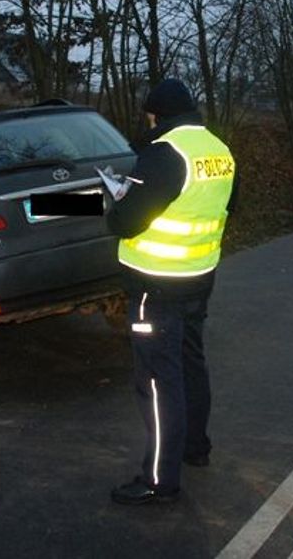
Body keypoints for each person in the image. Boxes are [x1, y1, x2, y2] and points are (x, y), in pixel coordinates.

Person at [106, 78, 237, 505]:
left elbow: (126, 222)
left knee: (159, 382)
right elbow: (223, 207)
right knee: (190, 365)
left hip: (155, 285)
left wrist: (117, 201)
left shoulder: (164, 154)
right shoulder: (218, 151)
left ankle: (160, 479)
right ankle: (194, 448)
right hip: (198, 277)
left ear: (155, 115)